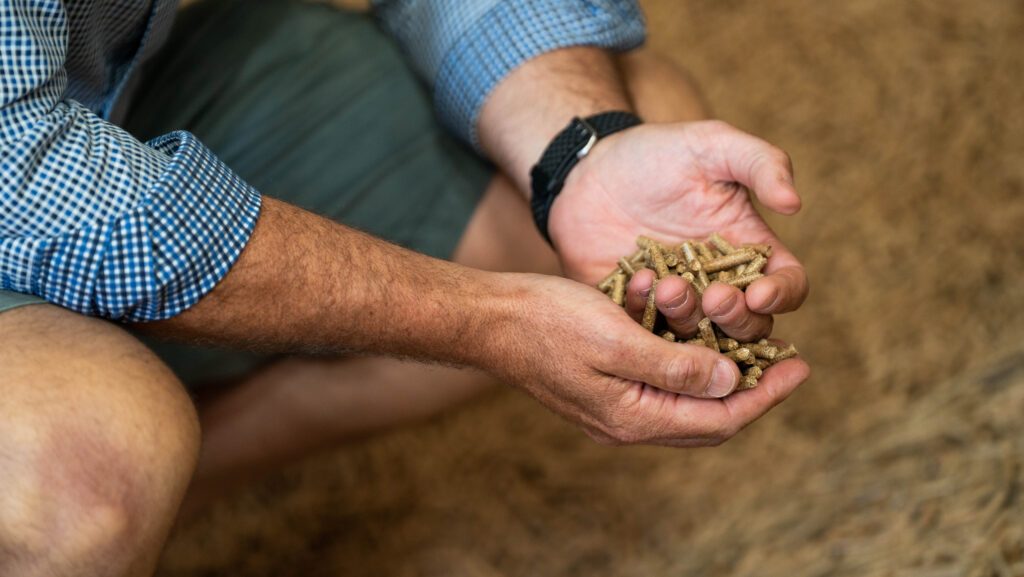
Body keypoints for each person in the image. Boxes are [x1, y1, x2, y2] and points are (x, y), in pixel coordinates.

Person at [0, 0, 810, 574]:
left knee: (634, 138)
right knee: (86, 477)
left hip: (96, 81)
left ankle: (174, 499)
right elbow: (31, 175)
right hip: (24, 150)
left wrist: (580, 152)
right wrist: (488, 320)